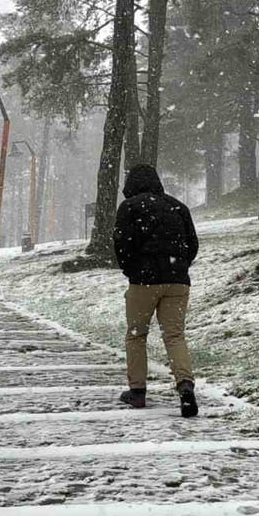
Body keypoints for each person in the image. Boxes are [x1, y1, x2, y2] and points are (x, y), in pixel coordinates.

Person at [113, 164, 200, 418]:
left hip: (144, 280)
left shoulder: (129, 208)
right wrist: (179, 266)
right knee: (174, 335)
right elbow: (192, 244)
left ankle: (137, 391)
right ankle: (185, 386)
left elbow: (122, 244)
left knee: (136, 334)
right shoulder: (178, 207)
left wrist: (132, 270)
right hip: (177, 281)